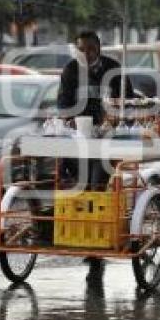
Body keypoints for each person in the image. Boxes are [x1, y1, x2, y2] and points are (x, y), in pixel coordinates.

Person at [57, 30, 133, 282]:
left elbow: (128, 100)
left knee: (97, 184)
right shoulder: (70, 70)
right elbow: (63, 102)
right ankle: (84, 235)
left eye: (90, 49)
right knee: (77, 184)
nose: (86, 54)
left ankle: (96, 247)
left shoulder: (113, 68)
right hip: (79, 137)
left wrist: (117, 110)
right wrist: (67, 117)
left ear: (99, 49)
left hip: (107, 138)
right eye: (82, 49)